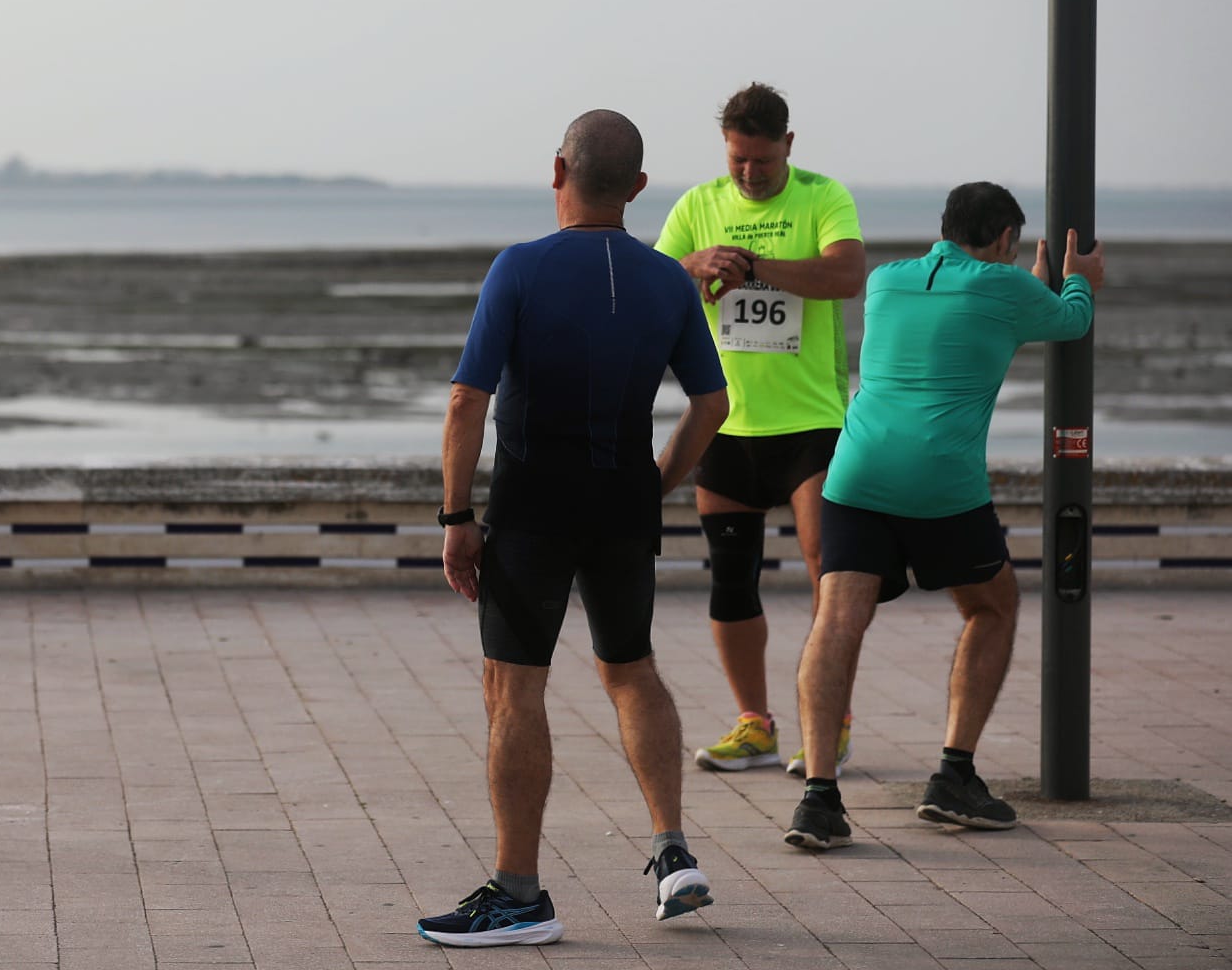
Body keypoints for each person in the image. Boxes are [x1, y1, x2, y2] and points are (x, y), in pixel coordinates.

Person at [417, 110, 730, 948]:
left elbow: (465, 400)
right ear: (635, 187)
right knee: (631, 672)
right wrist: (654, 484)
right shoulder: (668, 279)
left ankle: (519, 894)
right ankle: (672, 854)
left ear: (556, 170)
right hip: (621, 503)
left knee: (514, 690)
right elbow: (712, 404)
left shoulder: (519, 269)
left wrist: (455, 517)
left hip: (532, 509)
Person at [784, 183, 1101, 850]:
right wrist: (1078, 281)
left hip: (854, 473)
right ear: (1007, 242)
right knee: (991, 607)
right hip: (939, 482)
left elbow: (969, 313)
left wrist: (1027, 287)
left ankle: (817, 797)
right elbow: (1068, 320)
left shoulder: (886, 280)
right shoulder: (1003, 288)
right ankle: (953, 776)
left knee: (835, 619)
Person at [654, 82, 865, 776]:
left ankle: (826, 723)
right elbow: (657, 284)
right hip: (725, 424)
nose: (748, 174)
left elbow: (846, 276)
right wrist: (694, 264)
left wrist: (753, 268)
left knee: (825, 578)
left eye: (762, 162)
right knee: (731, 579)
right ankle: (754, 725)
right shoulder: (697, 205)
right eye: (737, 161)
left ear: (788, 147)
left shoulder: (820, 195)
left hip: (811, 424)